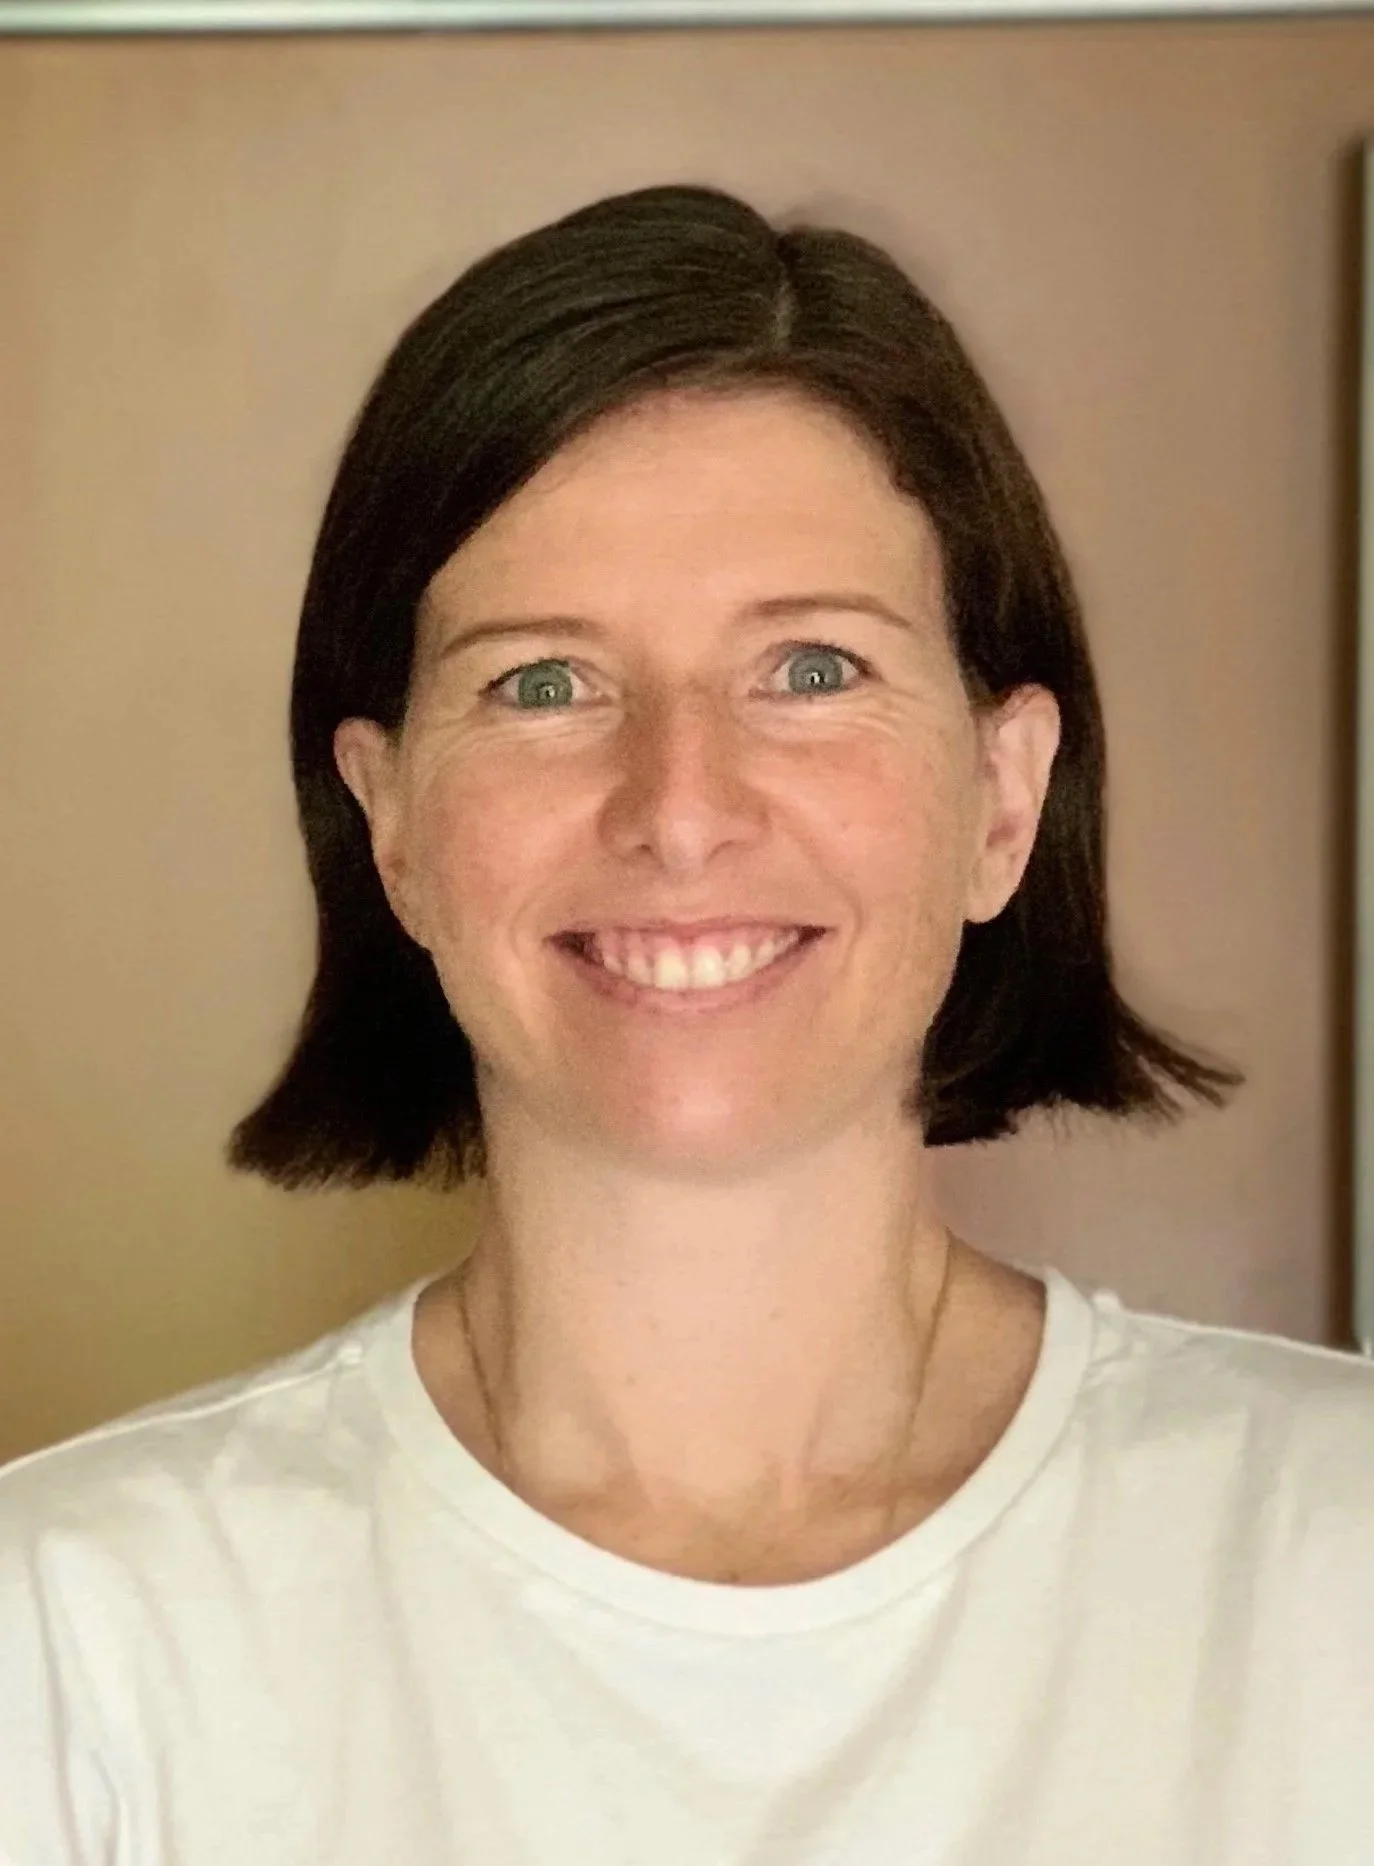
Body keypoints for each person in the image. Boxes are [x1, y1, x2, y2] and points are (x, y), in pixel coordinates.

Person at [1, 183, 1371, 1866]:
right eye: (542, 682)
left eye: (807, 668)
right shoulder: (69, 1632)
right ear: (394, 826)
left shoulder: (1331, 1556)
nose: (677, 806)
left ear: (1002, 800)